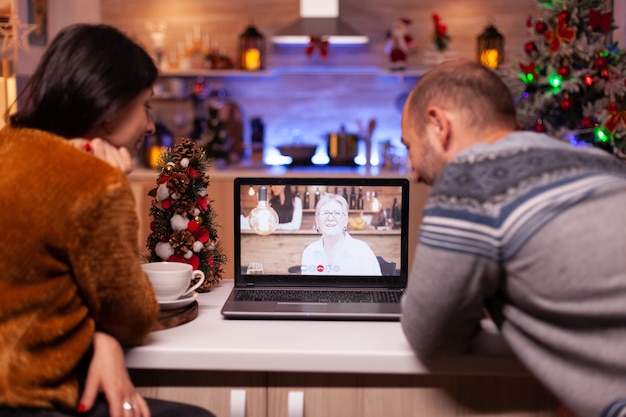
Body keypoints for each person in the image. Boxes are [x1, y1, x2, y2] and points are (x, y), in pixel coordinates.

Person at [0, 23, 215, 417]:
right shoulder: (93, 183)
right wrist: (113, 184)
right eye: (145, 106)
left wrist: (101, 339)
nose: (150, 126)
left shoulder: (8, 147)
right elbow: (133, 317)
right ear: (109, 110)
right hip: (28, 401)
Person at [399, 59, 626, 417]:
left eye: (409, 146)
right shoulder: (604, 163)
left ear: (439, 125)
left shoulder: (470, 178)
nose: (414, 173)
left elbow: (430, 336)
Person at [301, 193, 381, 275]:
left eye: (337, 213)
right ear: (317, 220)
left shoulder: (363, 251)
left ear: (345, 220)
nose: (330, 218)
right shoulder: (309, 252)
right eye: (324, 213)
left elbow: (376, 287)